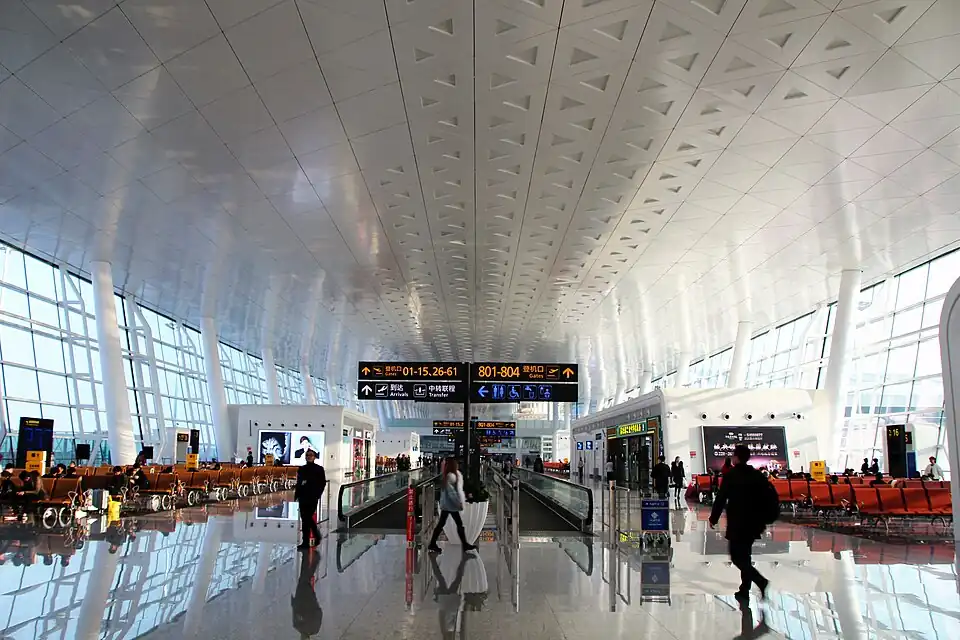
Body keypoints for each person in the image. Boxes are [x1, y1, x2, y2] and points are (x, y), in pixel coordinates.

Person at [709, 444, 770, 602]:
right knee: (745, 556)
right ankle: (744, 589)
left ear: (736, 458)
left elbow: (721, 498)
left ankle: (760, 581)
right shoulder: (756, 475)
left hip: (738, 521)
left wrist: (713, 518)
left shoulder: (732, 475)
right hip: (753, 521)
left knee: (737, 557)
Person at [427, 458, 476, 553]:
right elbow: (452, 492)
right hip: (450, 505)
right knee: (457, 524)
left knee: (443, 524)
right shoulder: (451, 476)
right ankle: (464, 544)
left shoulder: (449, 475)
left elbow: (453, 491)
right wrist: (458, 502)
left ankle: (433, 544)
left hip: (448, 505)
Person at [295, 449, 326, 550]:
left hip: (312, 497)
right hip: (303, 496)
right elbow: (299, 483)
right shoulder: (302, 469)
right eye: (307, 455)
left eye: (311, 455)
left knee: (307, 518)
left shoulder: (319, 469)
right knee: (305, 519)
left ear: (314, 457)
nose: (309, 457)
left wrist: (317, 494)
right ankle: (307, 540)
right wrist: (297, 495)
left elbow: (322, 483)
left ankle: (314, 536)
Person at [292, 540, 323, 637]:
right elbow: (296, 611)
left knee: (305, 578)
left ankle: (309, 556)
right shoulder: (298, 626)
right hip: (302, 598)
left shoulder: (315, 629)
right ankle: (313, 558)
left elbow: (319, 613)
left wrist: (315, 605)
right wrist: (294, 601)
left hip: (310, 600)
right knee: (304, 579)